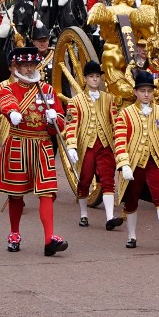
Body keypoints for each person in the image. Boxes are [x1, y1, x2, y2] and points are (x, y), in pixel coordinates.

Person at [0, 46, 67, 256]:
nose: (28, 69)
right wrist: (12, 112)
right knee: (15, 195)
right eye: (24, 65)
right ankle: (14, 232)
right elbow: (6, 102)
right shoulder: (9, 89)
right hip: (19, 143)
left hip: (42, 144)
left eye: (32, 65)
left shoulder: (48, 90)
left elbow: (60, 122)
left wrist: (54, 120)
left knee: (47, 191)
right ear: (16, 67)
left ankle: (49, 239)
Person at [115, 70, 159, 251]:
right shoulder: (125, 114)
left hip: (156, 162)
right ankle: (132, 236)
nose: (146, 94)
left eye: (149, 91)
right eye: (142, 91)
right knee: (131, 200)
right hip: (135, 163)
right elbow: (120, 140)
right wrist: (124, 164)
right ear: (135, 92)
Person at [63, 61, 133, 229]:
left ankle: (109, 217)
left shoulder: (108, 99)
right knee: (85, 179)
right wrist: (71, 145)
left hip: (105, 144)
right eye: (91, 77)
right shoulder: (75, 101)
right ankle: (83, 214)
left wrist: (120, 142)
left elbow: (115, 122)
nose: (95, 80)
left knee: (108, 178)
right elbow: (72, 125)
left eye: (97, 77)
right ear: (86, 79)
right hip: (86, 145)